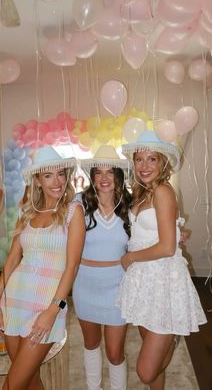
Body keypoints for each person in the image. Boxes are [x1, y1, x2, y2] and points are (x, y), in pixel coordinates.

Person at [117, 130, 207, 390]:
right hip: (143, 281)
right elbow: (156, 231)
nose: (144, 166)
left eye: (152, 159)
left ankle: (173, 339)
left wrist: (131, 257)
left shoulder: (163, 191)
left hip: (163, 280)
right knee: (153, 363)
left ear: (163, 163)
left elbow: (167, 247)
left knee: (146, 370)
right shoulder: (140, 192)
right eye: (139, 159)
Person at [0, 146, 85, 390]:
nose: (57, 181)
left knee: (11, 385)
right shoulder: (27, 212)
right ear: (37, 180)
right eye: (48, 176)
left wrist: (53, 311)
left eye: (60, 174)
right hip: (14, 301)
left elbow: (72, 266)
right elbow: (12, 259)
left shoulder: (73, 212)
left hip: (46, 305)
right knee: (29, 378)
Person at [72, 145, 132, 390]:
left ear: (118, 175)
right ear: (92, 176)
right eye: (99, 172)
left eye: (110, 172)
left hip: (118, 286)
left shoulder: (130, 204)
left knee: (115, 353)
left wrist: (176, 232)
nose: (105, 178)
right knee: (91, 344)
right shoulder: (79, 203)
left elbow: (151, 232)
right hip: (85, 285)